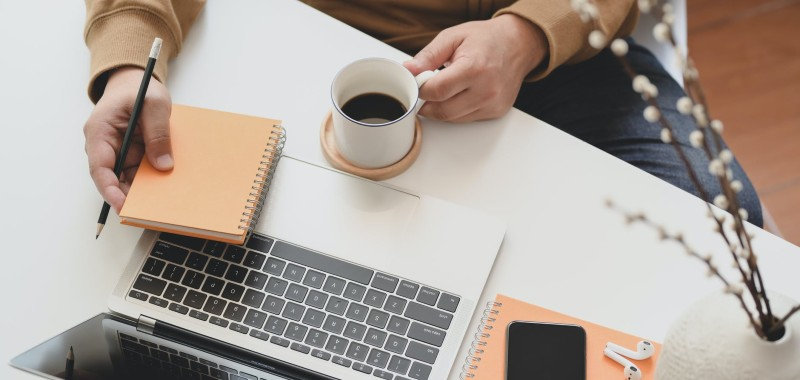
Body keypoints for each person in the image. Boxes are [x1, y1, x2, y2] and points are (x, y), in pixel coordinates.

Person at [82, 0, 763, 227]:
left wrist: (527, 33)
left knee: (717, 227)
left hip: (552, 50)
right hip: (315, 45)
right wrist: (125, 67)